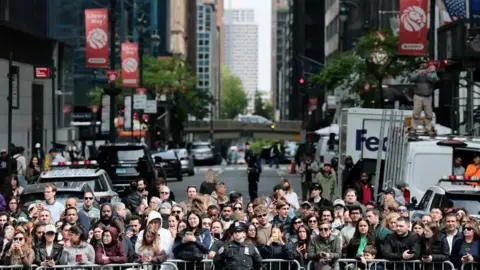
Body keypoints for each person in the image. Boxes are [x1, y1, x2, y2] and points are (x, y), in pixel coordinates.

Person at [410, 62, 438, 135]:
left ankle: (428, 129)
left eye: (425, 64)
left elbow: (434, 80)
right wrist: (417, 73)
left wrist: (426, 73)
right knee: (416, 112)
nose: (423, 65)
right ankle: (413, 128)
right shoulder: (416, 71)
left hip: (428, 96)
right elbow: (412, 79)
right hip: (418, 95)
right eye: (422, 64)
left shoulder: (432, 72)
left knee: (429, 114)